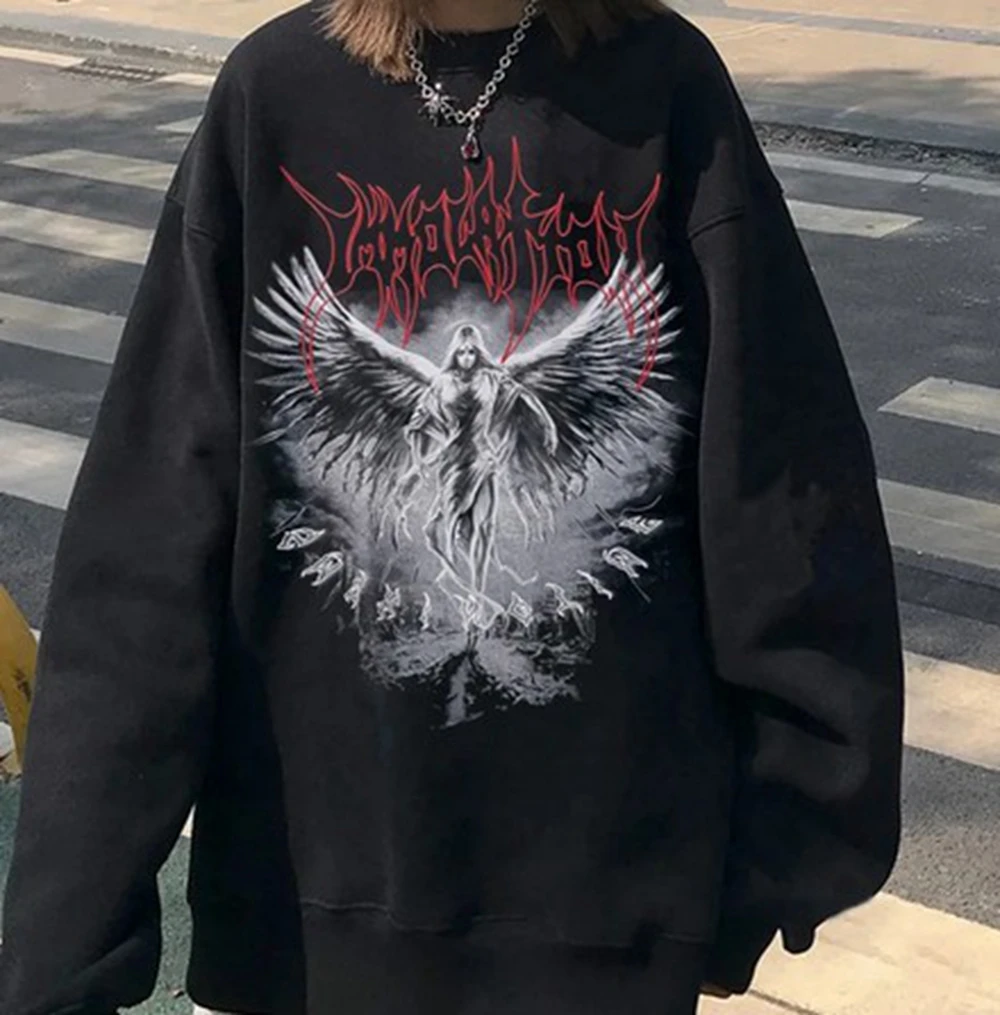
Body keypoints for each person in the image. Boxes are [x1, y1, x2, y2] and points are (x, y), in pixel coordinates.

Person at [0, 1, 905, 1013]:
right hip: (305, 930)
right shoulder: (274, 95)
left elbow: (785, 491)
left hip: (603, 923)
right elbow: (150, 541)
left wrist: (779, 861)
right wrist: (65, 943)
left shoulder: (667, 89)